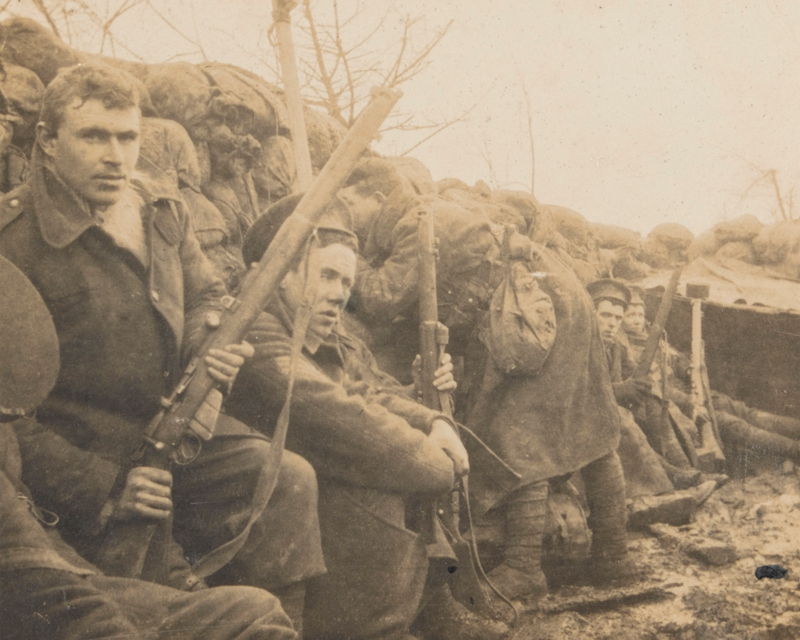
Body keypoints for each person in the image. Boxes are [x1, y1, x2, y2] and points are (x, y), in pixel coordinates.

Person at [0, 63, 324, 635]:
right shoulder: (12, 242)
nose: (116, 157)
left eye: (128, 138)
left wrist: (208, 341)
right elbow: (7, 422)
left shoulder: (156, 207)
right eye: (94, 137)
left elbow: (205, 295)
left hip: (172, 428)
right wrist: (103, 487)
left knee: (284, 480)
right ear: (47, 142)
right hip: (80, 454)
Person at [227, 193, 507, 640]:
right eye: (327, 276)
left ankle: (429, 608)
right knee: (376, 483)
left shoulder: (322, 333)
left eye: (346, 282)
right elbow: (336, 415)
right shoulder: (256, 327)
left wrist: (434, 422)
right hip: (251, 508)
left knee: (391, 467)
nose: (340, 295)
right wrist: (431, 459)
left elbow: (368, 390)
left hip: (295, 492)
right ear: (279, 274)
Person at [0, 252, 296, 640]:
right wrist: (104, 488)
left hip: (69, 556)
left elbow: (203, 300)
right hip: (79, 491)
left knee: (257, 609)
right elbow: (32, 573)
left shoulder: (160, 215)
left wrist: (205, 349)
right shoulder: (16, 233)